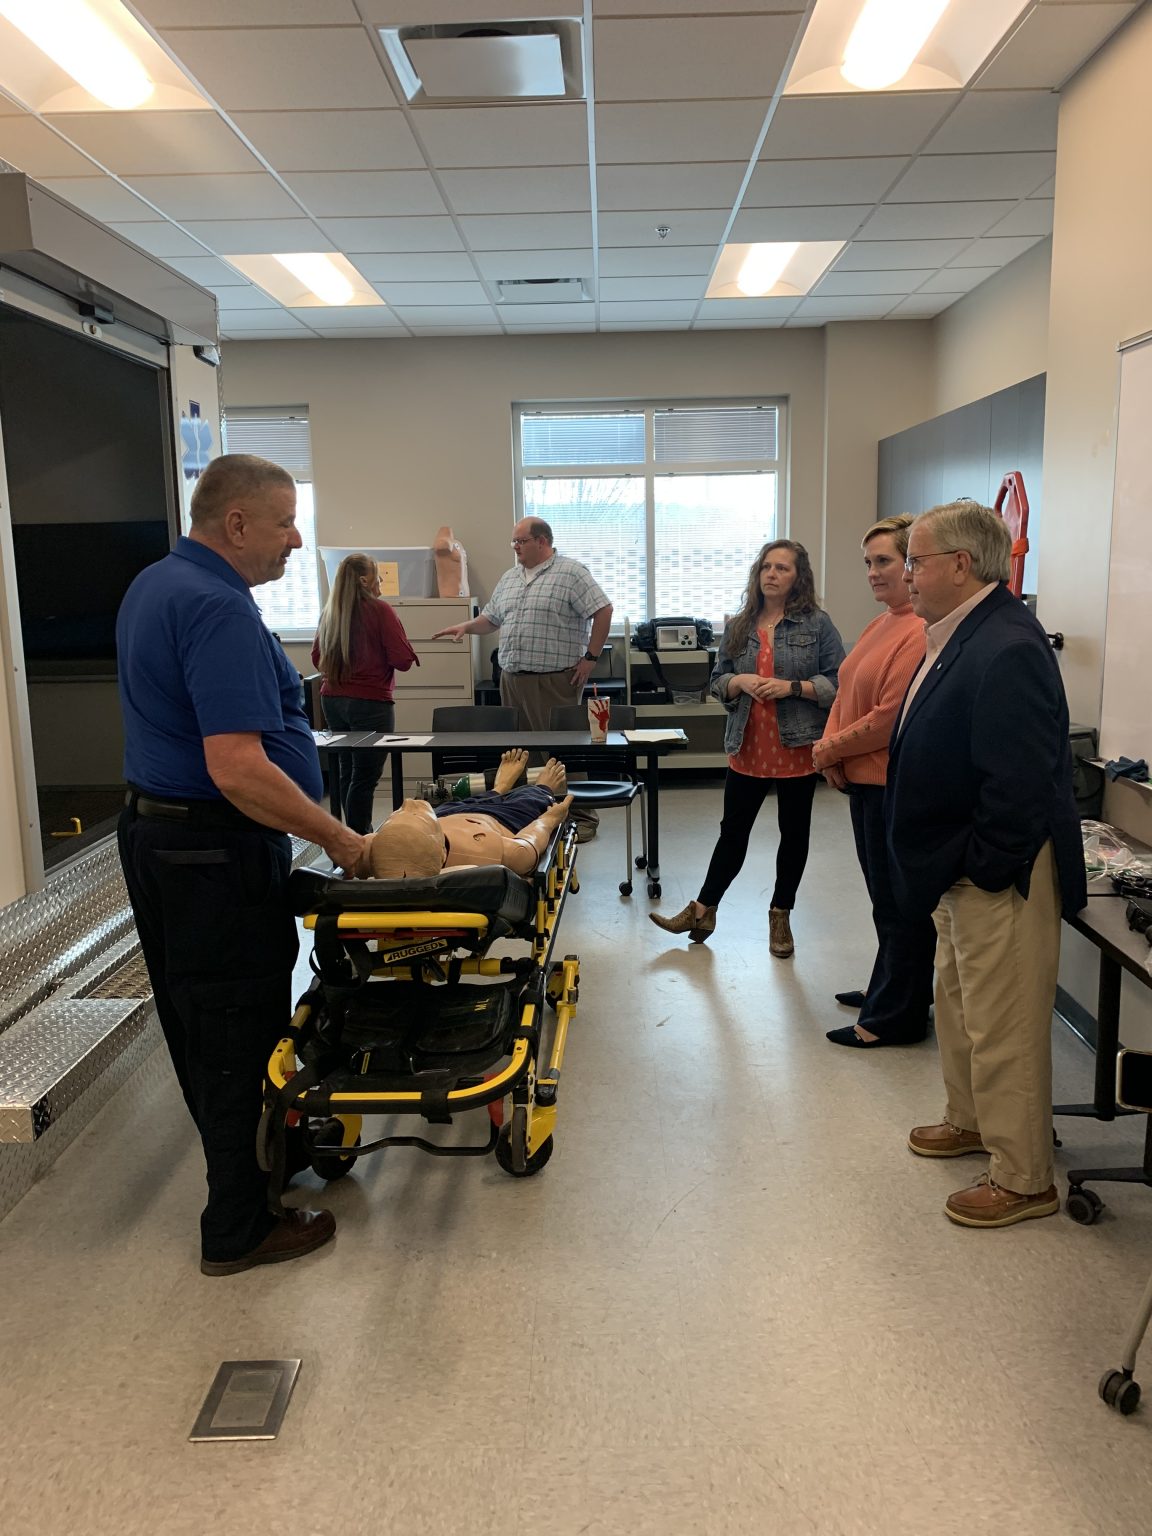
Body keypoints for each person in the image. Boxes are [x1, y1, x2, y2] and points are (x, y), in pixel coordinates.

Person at [116, 454, 373, 1277]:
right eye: (285, 522)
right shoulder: (215, 607)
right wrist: (339, 839)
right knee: (234, 1032)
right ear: (235, 525)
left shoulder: (157, 583)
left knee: (203, 1024)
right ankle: (239, 1226)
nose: (296, 540)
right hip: (211, 851)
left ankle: (270, 1158)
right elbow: (236, 765)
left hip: (165, 840)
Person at [887, 502, 1086, 1228]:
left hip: (997, 874)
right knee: (964, 1006)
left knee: (1004, 1023)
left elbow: (1023, 783)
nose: (906, 573)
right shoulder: (960, 633)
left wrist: (986, 866)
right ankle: (971, 1121)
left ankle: (1024, 1176)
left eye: (915, 559)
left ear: (962, 566)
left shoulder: (1007, 646)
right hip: (957, 866)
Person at [650, 540, 844, 957]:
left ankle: (781, 915)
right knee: (732, 833)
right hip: (747, 747)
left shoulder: (817, 625)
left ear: (799, 578)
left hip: (796, 747)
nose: (772, 574)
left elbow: (838, 682)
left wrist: (793, 687)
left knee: (794, 836)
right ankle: (703, 909)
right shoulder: (739, 624)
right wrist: (738, 683)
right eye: (767, 567)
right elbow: (718, 680)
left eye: (783, 568)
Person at [812, 515, 936, 1048]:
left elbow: (889, 717)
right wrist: (834, 751)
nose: (873, 572)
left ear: (912, 565)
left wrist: (826, 750)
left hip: (889, 784)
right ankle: (889, 990)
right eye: (868, 562)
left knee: (899, 901)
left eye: (884, 561)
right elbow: (844, 691)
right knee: (882, 898)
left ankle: (896, 1016)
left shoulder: (917, 631)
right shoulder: (880, 623)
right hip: (861, 780)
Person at [432, 517, 612, 840]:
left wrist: (591, 658)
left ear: (541, 541)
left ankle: (582, 816)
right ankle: (538, 810)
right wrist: (465, 627)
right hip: (512, 678)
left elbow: (603, 610)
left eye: (520, 541)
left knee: (560, 750)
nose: (515, 547)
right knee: (521, 753)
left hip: (553, 680)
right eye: (513, 542)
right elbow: (492, 618)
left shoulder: (570, 573)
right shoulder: (511, 577)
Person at [311, 553, 418, 833]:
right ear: (364, 580)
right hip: (370, 704)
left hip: (332, 701)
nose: (381, 581)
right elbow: (403, 661)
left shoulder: (330, 612)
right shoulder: (380, 610)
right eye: (378, 576)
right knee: (365, 777)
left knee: (348, 770)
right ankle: (361, 841)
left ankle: (351, 835)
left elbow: (316, 658)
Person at [368, 751, 573, 878]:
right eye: (414, 813)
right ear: (442, 854)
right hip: (498, 821)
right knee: (531, 798)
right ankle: (541, 787)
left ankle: (499, 788)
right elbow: (523, 852)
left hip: (446, 817)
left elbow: (352, 853)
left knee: (467, 801)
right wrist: (549, 819)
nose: (409, 802)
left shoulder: (378, 849)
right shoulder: (479, 849)